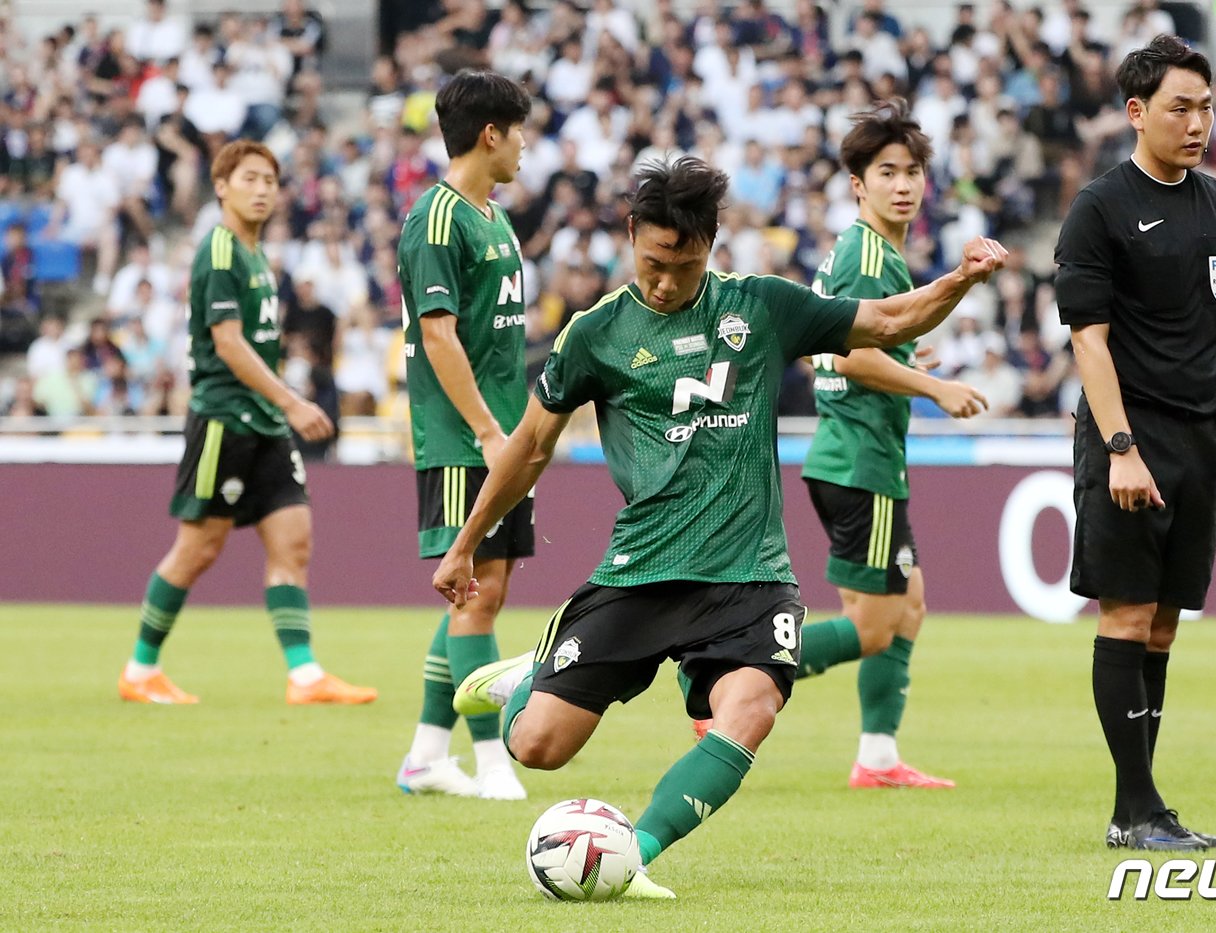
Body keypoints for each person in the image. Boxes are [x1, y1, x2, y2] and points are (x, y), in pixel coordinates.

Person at [435, 156, 1006, 897]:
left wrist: (958, 280)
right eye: (653, 263)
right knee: (536, 746)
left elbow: (889, 319)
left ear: (711, 245)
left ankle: (630, 854)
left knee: (751, 709)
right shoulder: (595, 334)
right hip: (641, 571)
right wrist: (466, 541)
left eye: (685, 263)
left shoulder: (761, 306)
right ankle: (527, 678)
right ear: (631, 233)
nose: (666, 281)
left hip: (751, 575)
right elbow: (531, 446)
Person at [714, 100, 987, 790]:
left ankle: (877, 755)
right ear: (858, 183)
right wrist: (931, 386)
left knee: (910, 603)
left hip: (862, 456)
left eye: (914, 171)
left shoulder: (859, 250)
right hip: (858, 459)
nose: (904, 184)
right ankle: (726, 676)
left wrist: (896, 354)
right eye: (887, 171)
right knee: (870, 626)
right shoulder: (869, 257)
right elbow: (857, 357)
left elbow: (830, 349)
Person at [1053, 35, 1216, 852]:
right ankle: (1138, 810)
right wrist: (1120, 447)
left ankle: (1135, 810)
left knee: (1166, 625)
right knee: (1128, 613)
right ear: (1137, 112)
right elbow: (1088, 342)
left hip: (1195, 440)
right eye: (1181, 106)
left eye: (1207, 106)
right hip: (1125, 434)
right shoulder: (1101, 207)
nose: (1198, 121)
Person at [117, 140, 377, 707]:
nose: (262, 189)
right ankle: (140, 670)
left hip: (262, 423)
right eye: (250, 179)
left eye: (270, 181)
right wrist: (290, 402)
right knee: (198, 549)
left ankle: (304, 676)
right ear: (221, 187)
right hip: (224, 420)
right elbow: (228, 344)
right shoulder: (218, 251)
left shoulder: (256, 255)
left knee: (294, 539)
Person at [393, 70, 534, 801]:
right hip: (463, 440)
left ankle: (423, 754)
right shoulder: (437, 218)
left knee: (486, 592)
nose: (524, 147)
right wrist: (484, 429)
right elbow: (438, 335)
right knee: (474, 596)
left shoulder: (494, 217)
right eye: (519, 132)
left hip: (504, 438)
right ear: (490, 134)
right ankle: (493, 761)